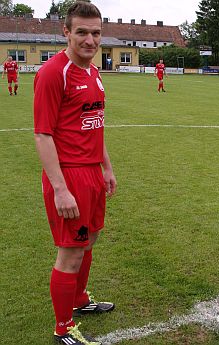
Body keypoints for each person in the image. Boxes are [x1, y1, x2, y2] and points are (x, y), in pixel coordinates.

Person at [33, 2, 117, 344]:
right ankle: (62, 329)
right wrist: (60, 189)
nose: (90, 40)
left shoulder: (94, 72)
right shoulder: (54, 72)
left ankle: (80, 301)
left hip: (92, 173)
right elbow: (43, 134)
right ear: (66, 32)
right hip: (69, 176)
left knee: (90, 238)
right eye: (81, 32)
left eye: (96, 33)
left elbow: (94, 126)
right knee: (70, 251)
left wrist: (106, 168)